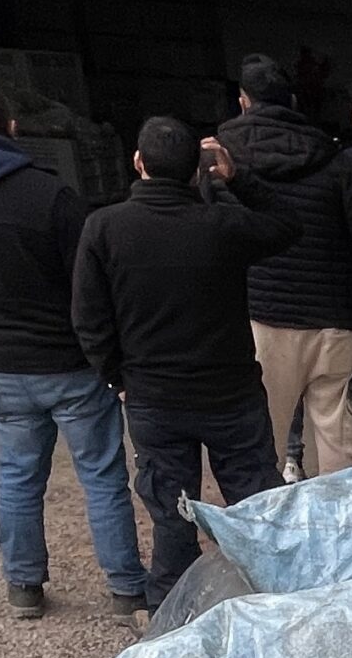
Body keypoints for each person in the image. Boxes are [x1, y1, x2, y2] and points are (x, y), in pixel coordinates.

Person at [0, 72, 146, 620]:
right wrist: (104, 351)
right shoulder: (52, 197)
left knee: (18, 474)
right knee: (102, 476)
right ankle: (126, 589)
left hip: (0, 364)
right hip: (70, 363)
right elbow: (91, 287)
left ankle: (23, 585)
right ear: (12, 127)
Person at [72, 116, 301, 609]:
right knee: (254, 508)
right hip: (231, 392)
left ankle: (170, 614)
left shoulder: (105, 227)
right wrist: (238, 178)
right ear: (200, 169)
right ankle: (270, 604)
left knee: (171, 514)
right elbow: (288, 224)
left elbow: (89, 317)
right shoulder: (222, 225)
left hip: (154, 395)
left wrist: (115, 376)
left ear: (138, 162)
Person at [214, 52, 352, 477]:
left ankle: (267, 511)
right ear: (291, 101)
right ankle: (341, 514)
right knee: (337, 435)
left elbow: (211, 242)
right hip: (334, 319)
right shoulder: (334, 161)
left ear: (244, 101)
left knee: (265, 434)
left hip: (264, 318)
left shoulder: (224, 164)